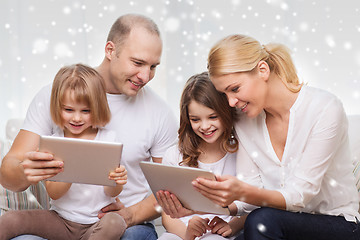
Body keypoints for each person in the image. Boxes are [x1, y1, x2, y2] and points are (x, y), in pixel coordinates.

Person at [0, 14, 178, 240]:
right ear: (110, 50)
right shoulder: (56, 95)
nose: (146, 76)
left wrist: (131, 214)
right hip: (64, 219)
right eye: (138, 63)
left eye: (153, 67)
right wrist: (26, 170)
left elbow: (171, 190)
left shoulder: (159, 112)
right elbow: (8, 174)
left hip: (125, 224)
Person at [187, 34, 360, 239]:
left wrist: (241, 191)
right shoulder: (244, 120)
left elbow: (300, 196)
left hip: (337, 223)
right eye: (224, 94)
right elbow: (253, 191)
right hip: (277, 223)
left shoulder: (324, 109)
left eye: (234, 89)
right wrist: (200, 207)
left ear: (263, 70)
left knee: (261, 221)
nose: (231, 102)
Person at [0, 63, 128, 240]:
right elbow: (54, 193)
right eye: (68, 110)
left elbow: (111, 192)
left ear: (98, 108)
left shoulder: (108, 140)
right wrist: (72, 167)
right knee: (9, 220)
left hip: (96, 223)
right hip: (60, 221)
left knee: (115, 223)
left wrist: (118, 181)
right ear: (57, 108)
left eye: (86, 111)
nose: (76, 118)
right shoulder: (54, 141)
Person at [156, 72, 245, 240]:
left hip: (219, 233)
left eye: (212, 117)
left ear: (226, 112)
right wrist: (187, 233)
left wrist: (232, 226)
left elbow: (252, 205)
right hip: (182, 231)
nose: (205, 126)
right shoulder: (175, 155)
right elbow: (167, 215)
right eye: (195, 119)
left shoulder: (241, 152)